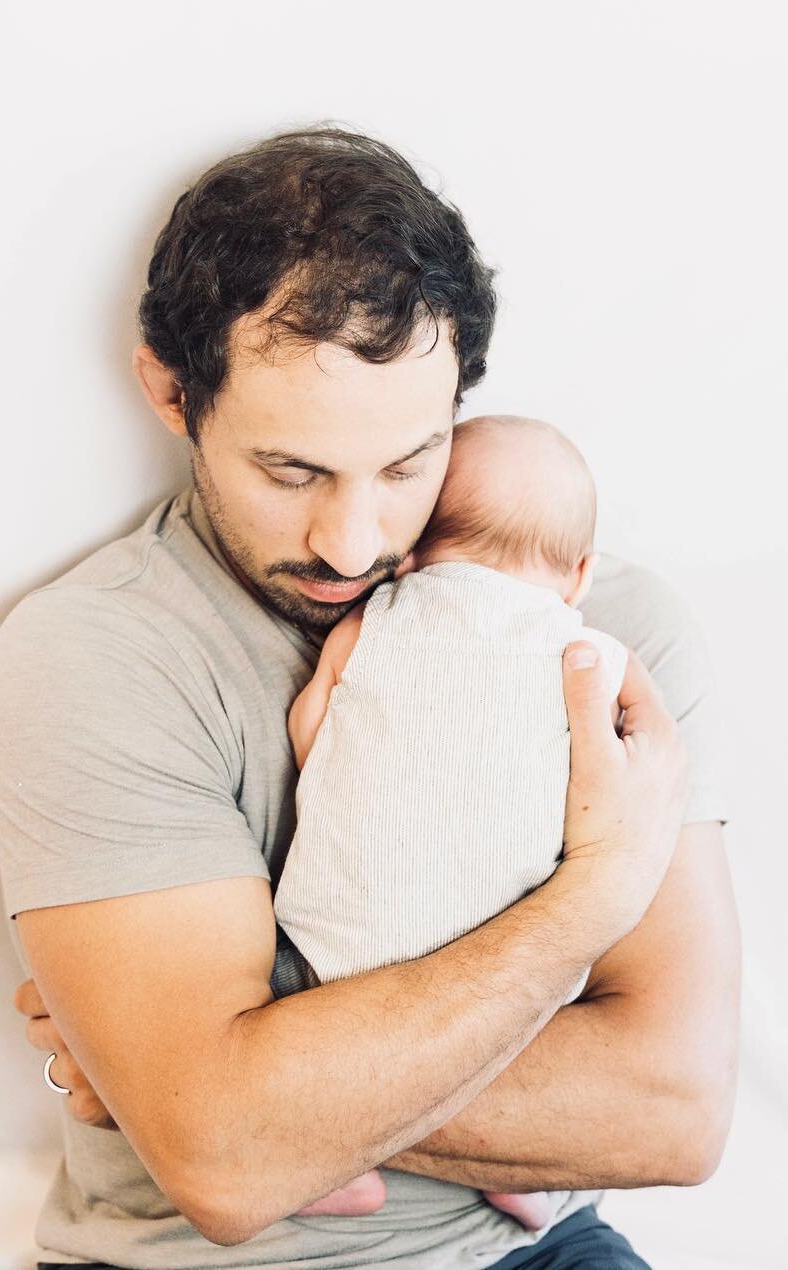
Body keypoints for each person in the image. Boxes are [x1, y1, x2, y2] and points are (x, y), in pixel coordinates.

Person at [0, 124, 741, 1270]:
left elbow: (674, 1110)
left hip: (540, 1254)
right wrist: (592, 898)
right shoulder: (96, 655)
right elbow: (226, 1160)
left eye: (408, 465)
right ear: (172, 393)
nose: (357, 539)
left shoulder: (605, 630)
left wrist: (229, 1075)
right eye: (292, 471)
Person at [278, 413, 629, 1234]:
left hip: (340, 942)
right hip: (500, 962)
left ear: (410, 544)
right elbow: (603, 788)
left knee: (291, 1012)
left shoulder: (378, 618)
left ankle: (337, 1164)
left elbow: (311, 726)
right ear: (579, 574)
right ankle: (522, 1177)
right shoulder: (589, 655)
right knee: (515, 1025)